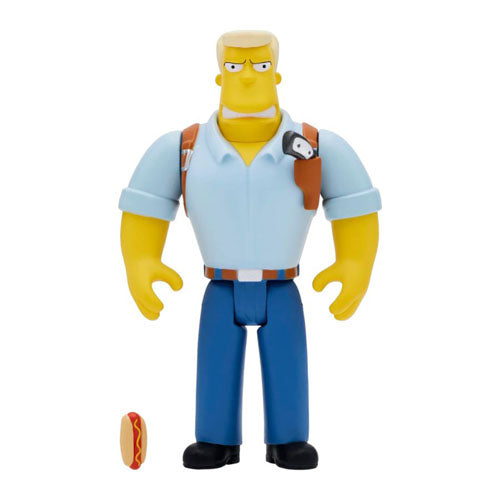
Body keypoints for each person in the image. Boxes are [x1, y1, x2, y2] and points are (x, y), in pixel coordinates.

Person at [119, 30, 381, 469]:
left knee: (288, 362)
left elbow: (354, 201)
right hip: (220, 286)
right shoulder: (186, 148)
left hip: (282, 286)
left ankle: (289, 440)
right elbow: (146, 203)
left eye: (259, 66)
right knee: (215, 360)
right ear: (219, 76)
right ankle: (215, 440)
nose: (246, 77)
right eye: (234, 66)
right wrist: (141, 260)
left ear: (276, 74)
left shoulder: (313, 145)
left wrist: (355, 262)